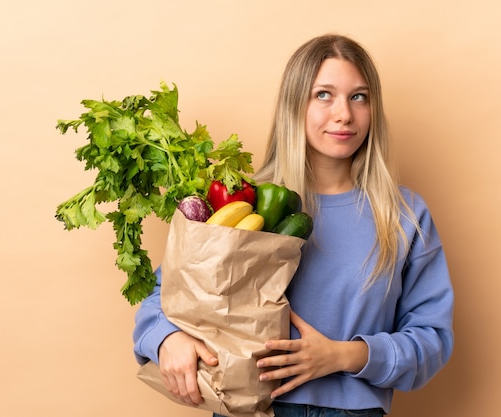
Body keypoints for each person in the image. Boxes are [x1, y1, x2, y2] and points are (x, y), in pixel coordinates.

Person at [133, 33, 454, 417]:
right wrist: (166, 338)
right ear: (294, 104)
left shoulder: (403, 215)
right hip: (250, 408)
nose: (344, 115)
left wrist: (342, 355)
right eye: (324, 95)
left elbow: (432, 340)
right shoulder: (244, 202)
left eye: (359, 97)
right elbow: (165, 296)